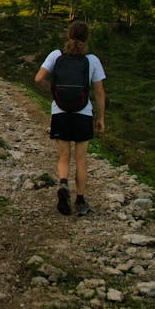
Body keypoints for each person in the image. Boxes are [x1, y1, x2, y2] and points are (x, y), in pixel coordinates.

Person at [34, 21, 106, 216]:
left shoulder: (56, 55)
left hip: (60, 111)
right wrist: (100, 118)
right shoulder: (92, 60)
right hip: (83, 113)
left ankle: (63, 184)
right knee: (81, 159)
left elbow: (38, 78)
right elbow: (99, 91)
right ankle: (80, 201)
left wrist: (54, 91)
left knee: (63, 155)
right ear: (87, 38)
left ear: (68, 35)